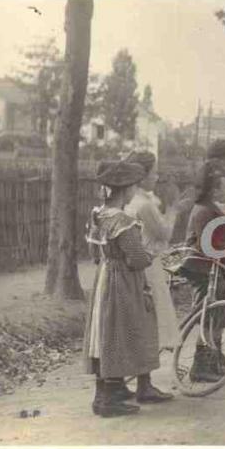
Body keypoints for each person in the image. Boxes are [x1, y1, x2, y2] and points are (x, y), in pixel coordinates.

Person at [83, 160, 173, 418]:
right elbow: (136, 258)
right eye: (133, 186)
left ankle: (108, 391)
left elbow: (93, 252)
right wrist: (152, 254)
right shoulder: (123, 220)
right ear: (126, 189)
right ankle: (108, 400)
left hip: (104, 278)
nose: (135, 191)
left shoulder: (98, 214)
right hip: (122, 281)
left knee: (105, 332)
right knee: (121, 332)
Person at [124, 151, 193, 351]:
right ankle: (149, 354)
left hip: (141, 259)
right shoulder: (144, 204)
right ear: (142, 176)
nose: (156, 177)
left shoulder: (135, 200)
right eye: (153, 173)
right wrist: (173, 208)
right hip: (149, 262)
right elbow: (164, 233)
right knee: (155, 307)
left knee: (148, 309)